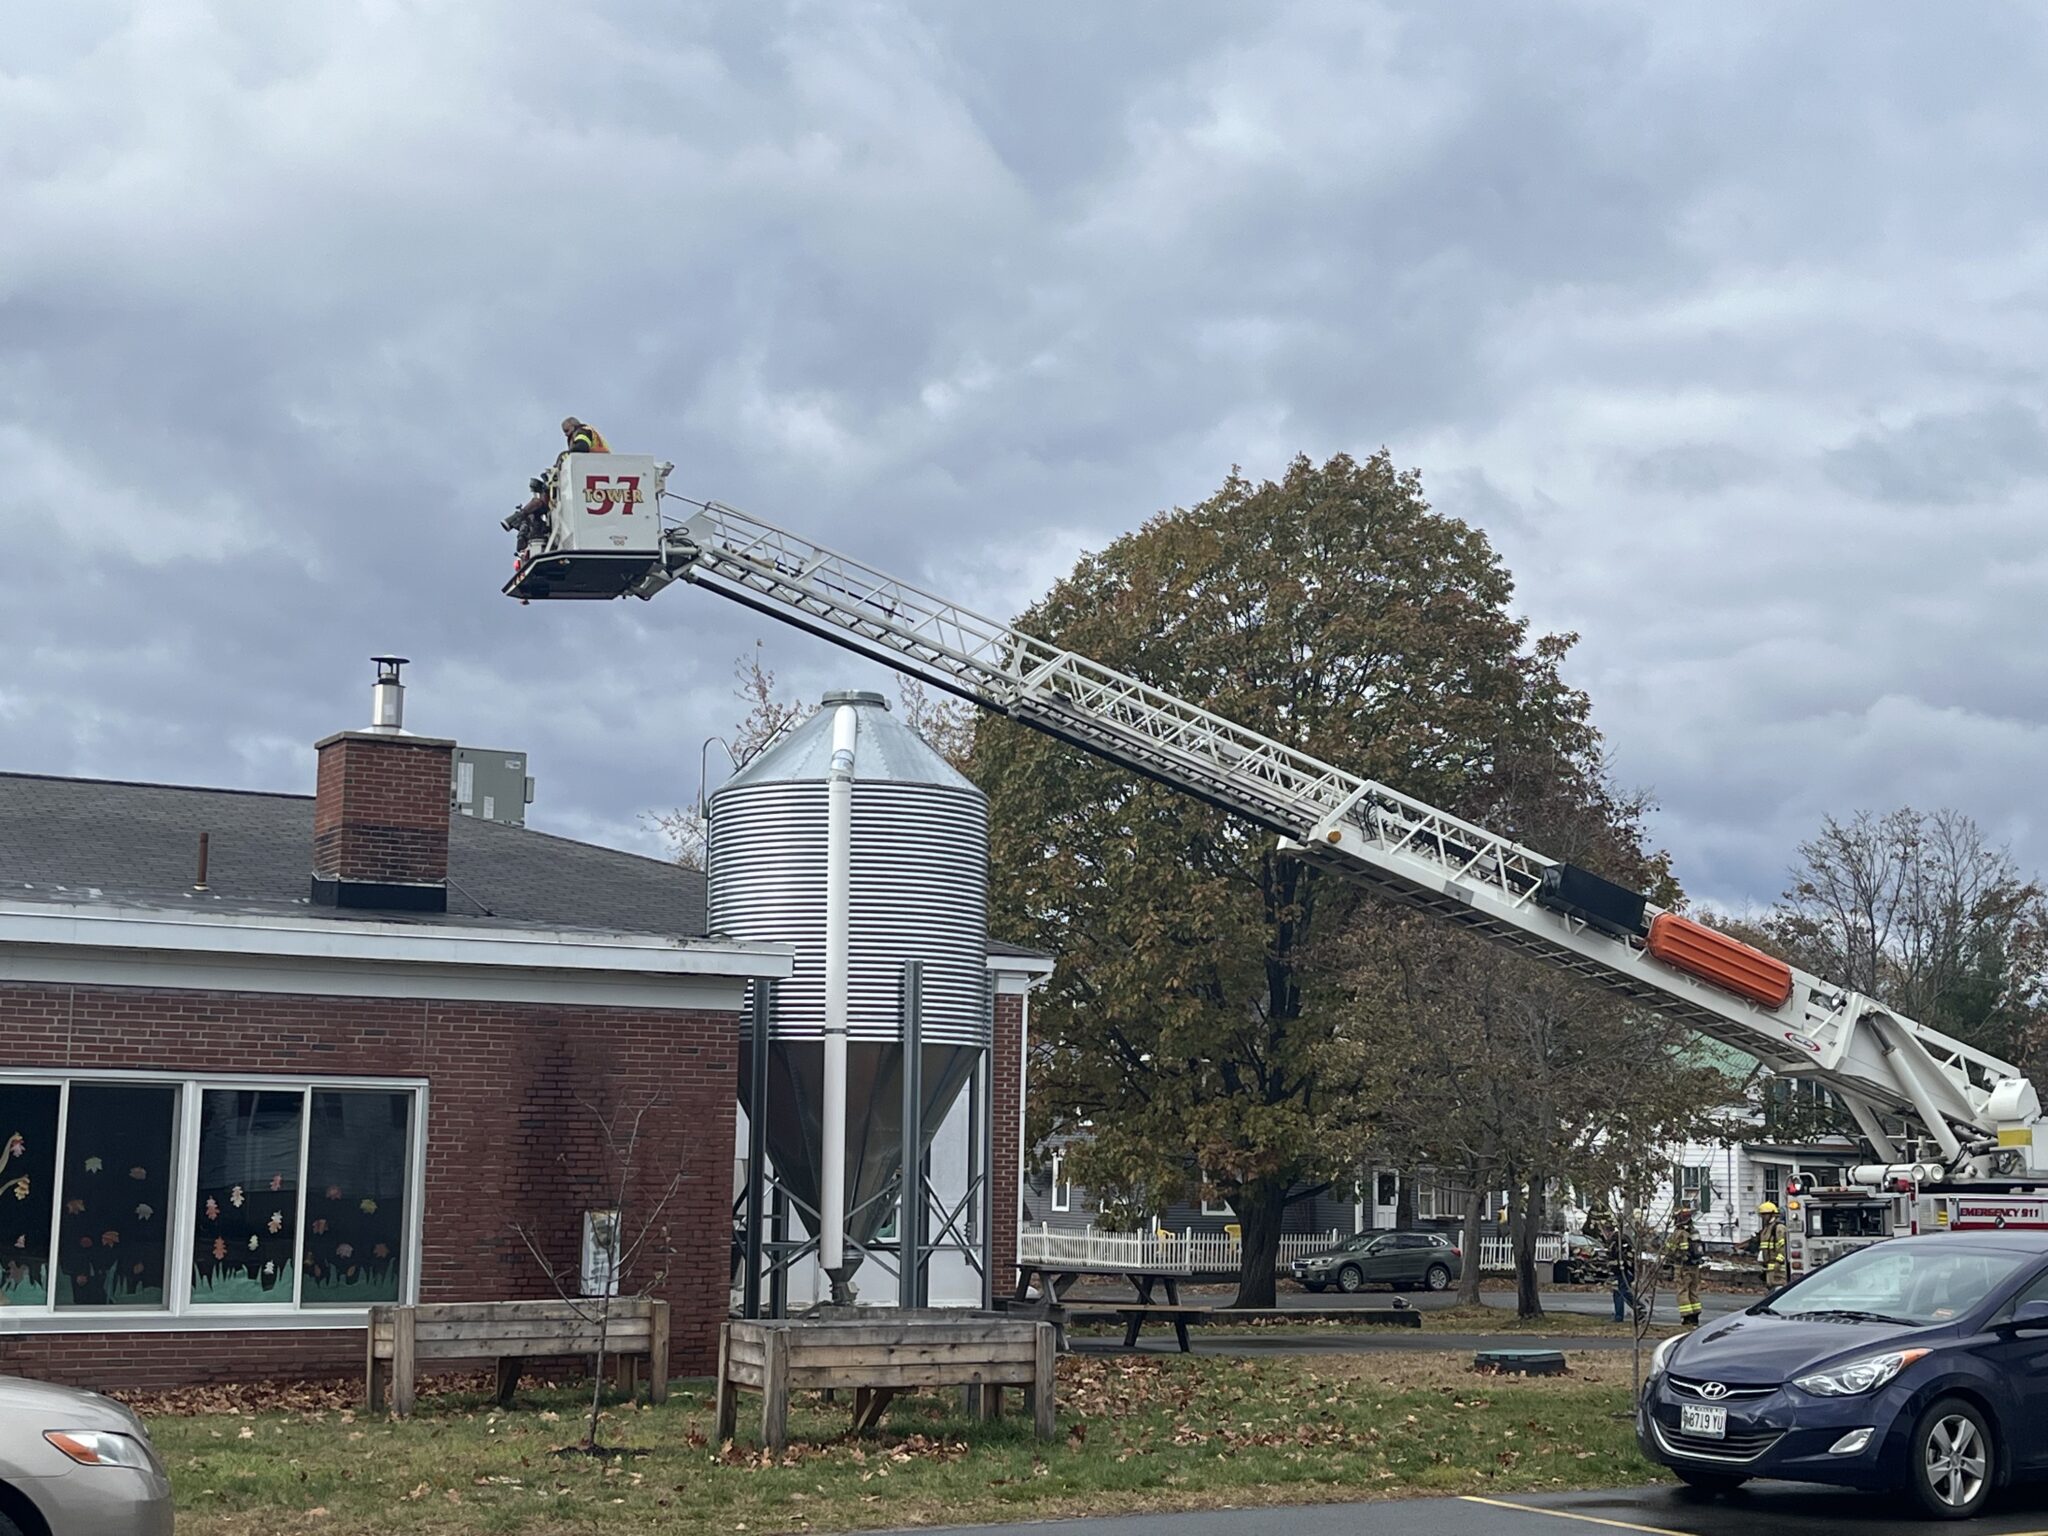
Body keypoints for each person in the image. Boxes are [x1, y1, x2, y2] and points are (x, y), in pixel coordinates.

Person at [507, 417, 611, 546]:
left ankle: (520, 516)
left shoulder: (582, 431)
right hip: (595, 467)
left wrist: (561, 462)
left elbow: (581, 447)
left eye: (567, 431)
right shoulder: (587, 433)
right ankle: (523, 517)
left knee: (561, 461)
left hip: (594, 468)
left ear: (574, 426)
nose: (566, 435)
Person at [1664, 1207, 1705, 1329]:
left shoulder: (1679, 1233)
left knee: (1682, 1290)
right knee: (1693, 1290)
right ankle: (1695, 1316)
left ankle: (1686, 1318)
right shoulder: (1694, 1231)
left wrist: (1668, 1258)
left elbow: (1670, 1250)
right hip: (1694, 1267)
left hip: (1682, 1267)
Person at [1602, 1216, 1638, 1324]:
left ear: (1607, 1231)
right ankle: (1622, 1314)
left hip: (1622, 1271)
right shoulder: (1621, 1238)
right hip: (1624, 1270)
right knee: (1620, 1292)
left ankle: (1635, 1309)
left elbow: (1618, 1257)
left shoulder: (1615, 1241)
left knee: (1621, 1292)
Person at [1755, 1200, 1788, 1288]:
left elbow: (1783, 1247)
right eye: (1762, 1215)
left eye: (1764, 1215)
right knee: (1771, 1287)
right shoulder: (1767, 1228)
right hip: (1769, 1267)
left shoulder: (1779, 1228)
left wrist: (1778, 1262)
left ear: (1772, 1214)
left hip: (1778, 1268)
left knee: (1779, 1288)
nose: (1763, 1217)